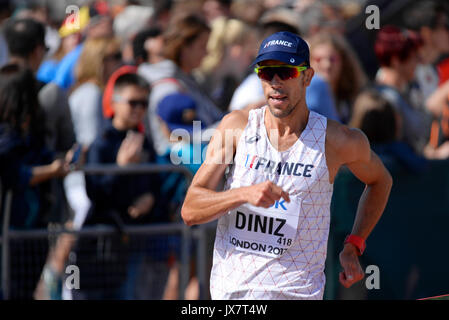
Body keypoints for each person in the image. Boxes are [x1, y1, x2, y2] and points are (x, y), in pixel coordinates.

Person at [181, 31, 393, 300]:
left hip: (296, 293)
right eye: (266, 73)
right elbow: (190, 210)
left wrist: (354, 244)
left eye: (285, 72)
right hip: (234, 294)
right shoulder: (237, 127)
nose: (275, 82)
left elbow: (380, 180)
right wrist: (242, 194)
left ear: (307, 77)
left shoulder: (337, 141)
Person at [71, 72, 164, 300]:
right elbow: (95, 192)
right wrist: (120, 167)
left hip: (131, 243)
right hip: (98, 245)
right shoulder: (101, 143)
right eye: (133, 102)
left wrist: (149, 198)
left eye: (144, 103)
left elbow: (155, 184)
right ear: (115, 102)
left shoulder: (145, 143)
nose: (139, 109)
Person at [0, 64, 73, 299]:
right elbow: (13, 174)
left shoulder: (30, 133)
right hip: (12, 230)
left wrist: (60, 162)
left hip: (31, 228)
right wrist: (50, 171)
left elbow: (42, 156)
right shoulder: (7, 136)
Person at [138, 13, 224, 156]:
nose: (207, 52)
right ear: (183, 47)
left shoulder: (187, 79)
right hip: (182, 169)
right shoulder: (168, 88)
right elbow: (181, 136)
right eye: (202, 46)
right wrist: (232, 127)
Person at [309, 32, 367, 124]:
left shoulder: (354, 99)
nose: (327, 65)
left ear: (343, 62)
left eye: (333, 59)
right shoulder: (304, 101)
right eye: (318, 59)